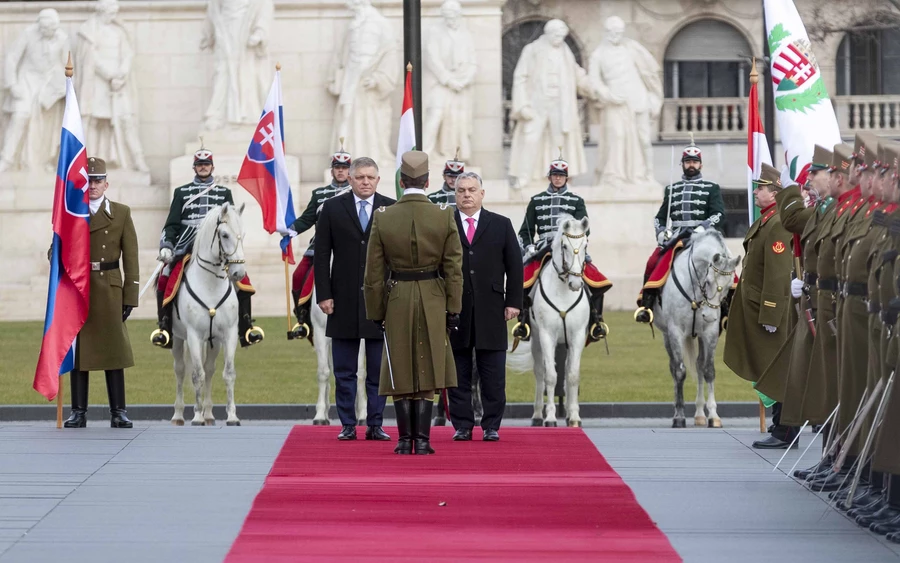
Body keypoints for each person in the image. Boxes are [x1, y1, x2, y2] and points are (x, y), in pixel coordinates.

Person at [364, 151, 463, 455]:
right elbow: (454, 269)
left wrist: (376, 310)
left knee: (400, 364)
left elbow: (374, 272)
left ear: (402, 181)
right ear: (428, 181)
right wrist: (453, 308)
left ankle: (405, 439)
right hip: (433, 294)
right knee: (430, 361)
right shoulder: (444, 215)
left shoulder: (383, 216)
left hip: (397, 296)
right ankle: (423, 440)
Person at [315, 156, 395, 441]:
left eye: (370, 177)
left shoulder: (391, 208)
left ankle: (375, 423)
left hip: (380, 302)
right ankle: (347, 423)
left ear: (377, 180)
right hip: (343, 299)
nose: (365, 182)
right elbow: (322, 254)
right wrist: (323, 294)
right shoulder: (333, 208)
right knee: (345, 370)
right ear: (349, 179)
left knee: (377, 370)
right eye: (359, 177)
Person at [151, 145, 263, 349]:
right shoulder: (182, 192)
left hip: (215, 247)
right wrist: (166, 246)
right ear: (194, 167)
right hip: (186, 245)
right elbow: (171, 225)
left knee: (243, 280)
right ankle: (164, 327)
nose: (203, 168)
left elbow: (231, 222)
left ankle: (246, 327)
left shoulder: (223, 192)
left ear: (212, 167)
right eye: (200, 164)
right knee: (165, 277)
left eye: (206, 164)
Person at [722, 163, 795, 448]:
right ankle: (781, 426)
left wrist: (771, 311)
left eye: (761, 188)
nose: (756, 191)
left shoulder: (777, 225)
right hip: (756, 306)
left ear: (775, 193)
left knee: (776, 368)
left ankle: (785, 429)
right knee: (769, 367)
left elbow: (777, 274)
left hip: (768, 309)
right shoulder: (766, 220)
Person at [63, 158, 139, 428]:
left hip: (109, 287)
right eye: (89, 181)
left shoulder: (121, 212)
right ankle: (78, 412)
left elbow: (130, 257)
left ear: (107, 183)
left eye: (97, 181)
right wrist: (58, 257)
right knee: (79, 354)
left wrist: (130, 296)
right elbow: (56, 248)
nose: (92, 185)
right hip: (80, 289)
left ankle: (118, 412)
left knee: (113, 351)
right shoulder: (72, 213)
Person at [447, 172, 523, 441]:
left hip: (492, 308)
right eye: (461, 190)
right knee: (457, 372)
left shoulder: (501, 224)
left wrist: (514, 301)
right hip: (454, 309)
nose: (466, 195)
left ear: (482, 194)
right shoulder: (444, 223)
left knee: (493, 373)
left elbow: (515, 266)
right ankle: (462, 425)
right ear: (454, 194)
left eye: (472, 190)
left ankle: (491, 425)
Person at [513, 156, 611, 344]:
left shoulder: (576, 201)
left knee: (597, 281)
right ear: (549, 177)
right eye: (555, 175)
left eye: (561, 175)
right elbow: (525, 231)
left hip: (568, 247)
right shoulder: (537, 200)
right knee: (523, 281)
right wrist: (530, 246)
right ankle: (523, 322)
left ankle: (596, 321)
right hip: (543, 248)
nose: (558, 179)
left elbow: (585, 229)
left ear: (567, 178)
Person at [634, 141, 726, 324]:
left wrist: (704, 226)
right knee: (653, 262)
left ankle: (727, 310)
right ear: (682, 164)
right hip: (677, 238)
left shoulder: (711, 188)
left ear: (700, 164)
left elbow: (719, 214)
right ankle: (647, 305)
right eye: (687, 162)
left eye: (694, 162)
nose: (691, 165)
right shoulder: (671, 189)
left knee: (724, 266)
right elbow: (659, 217)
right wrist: (661, 232)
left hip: (703, 238)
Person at [507, 19, 592, 189]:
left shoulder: (565, 52)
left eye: (562, 35)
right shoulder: (532, 50)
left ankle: (558, 180)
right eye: (555, 34)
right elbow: (520, 77)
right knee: (530, 139)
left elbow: (577, 75)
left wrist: (594, 88)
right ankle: (524, 177)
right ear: (547, 33)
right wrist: (522, 104)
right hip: (536, 104)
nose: (558, 38)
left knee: (558, 142)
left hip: (560, 105)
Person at [74, 0, 149, 172]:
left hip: (118, 85)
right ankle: (86, 161)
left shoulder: (118, 32)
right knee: (93, 120)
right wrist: (110, 75)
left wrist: (121, 74)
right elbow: (90, 58)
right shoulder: (89, 31)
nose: (113, 16)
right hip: (97, 84)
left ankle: (137, 159)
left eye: (115, 13)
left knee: (126, 120)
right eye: (110, 13)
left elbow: (127, 54)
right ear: (102, 11)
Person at [287, 145, 353, 339]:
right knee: (299, 276)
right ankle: (303, 320)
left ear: (350, 170)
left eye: (344, 167)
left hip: (348, 249)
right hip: (319, 248)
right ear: (332, 170)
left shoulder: (357, 193)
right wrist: (289, 230)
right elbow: (307, 219)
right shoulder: (319, 194)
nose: (340, 170)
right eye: (337, 167)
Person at [0, 8, 68, 172]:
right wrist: (12, 84)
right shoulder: (28, 34)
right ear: (39, 26)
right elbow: (11, 58)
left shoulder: (63, 38)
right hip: (27, 79)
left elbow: (67, 66)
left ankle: (44, 160)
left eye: (50, 29)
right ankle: (6, 159)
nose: (47, 32)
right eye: (44, 29)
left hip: (49, 84)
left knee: (48, 123)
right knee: (21, 115)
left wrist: (62, 87)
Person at [201, 0, 272, 129]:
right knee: (221, 73)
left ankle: (248, 117)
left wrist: (259, 33)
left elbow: (264, 12)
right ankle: (217, 115)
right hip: (224, 35)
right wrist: (208, 35)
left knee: (246, 76)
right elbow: (213, 11)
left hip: (245, 36)